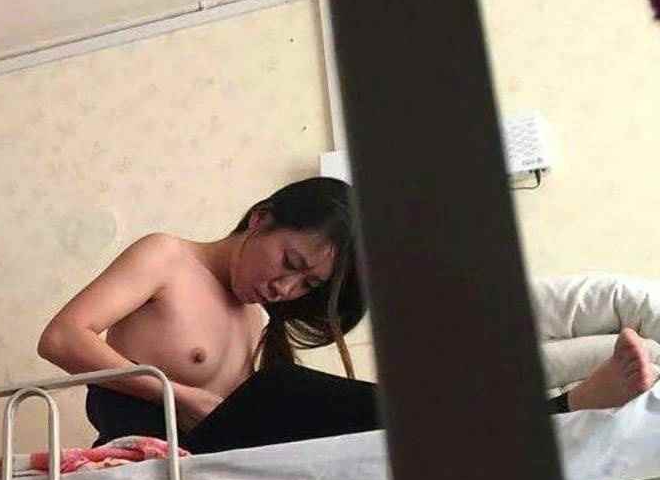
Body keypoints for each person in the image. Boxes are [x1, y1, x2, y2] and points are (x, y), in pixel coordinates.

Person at [39, 177, 659, 450]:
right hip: (161, 436)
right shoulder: (167, 257)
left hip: (226, 450)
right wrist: (185, 397)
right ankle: (562, 409)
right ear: (260, 219)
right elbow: (63, 337)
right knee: (317, 398)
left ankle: (554, 410)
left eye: (305, 283)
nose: (284, 288)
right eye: (289, 262)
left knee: (401, 422)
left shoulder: (256, 320)